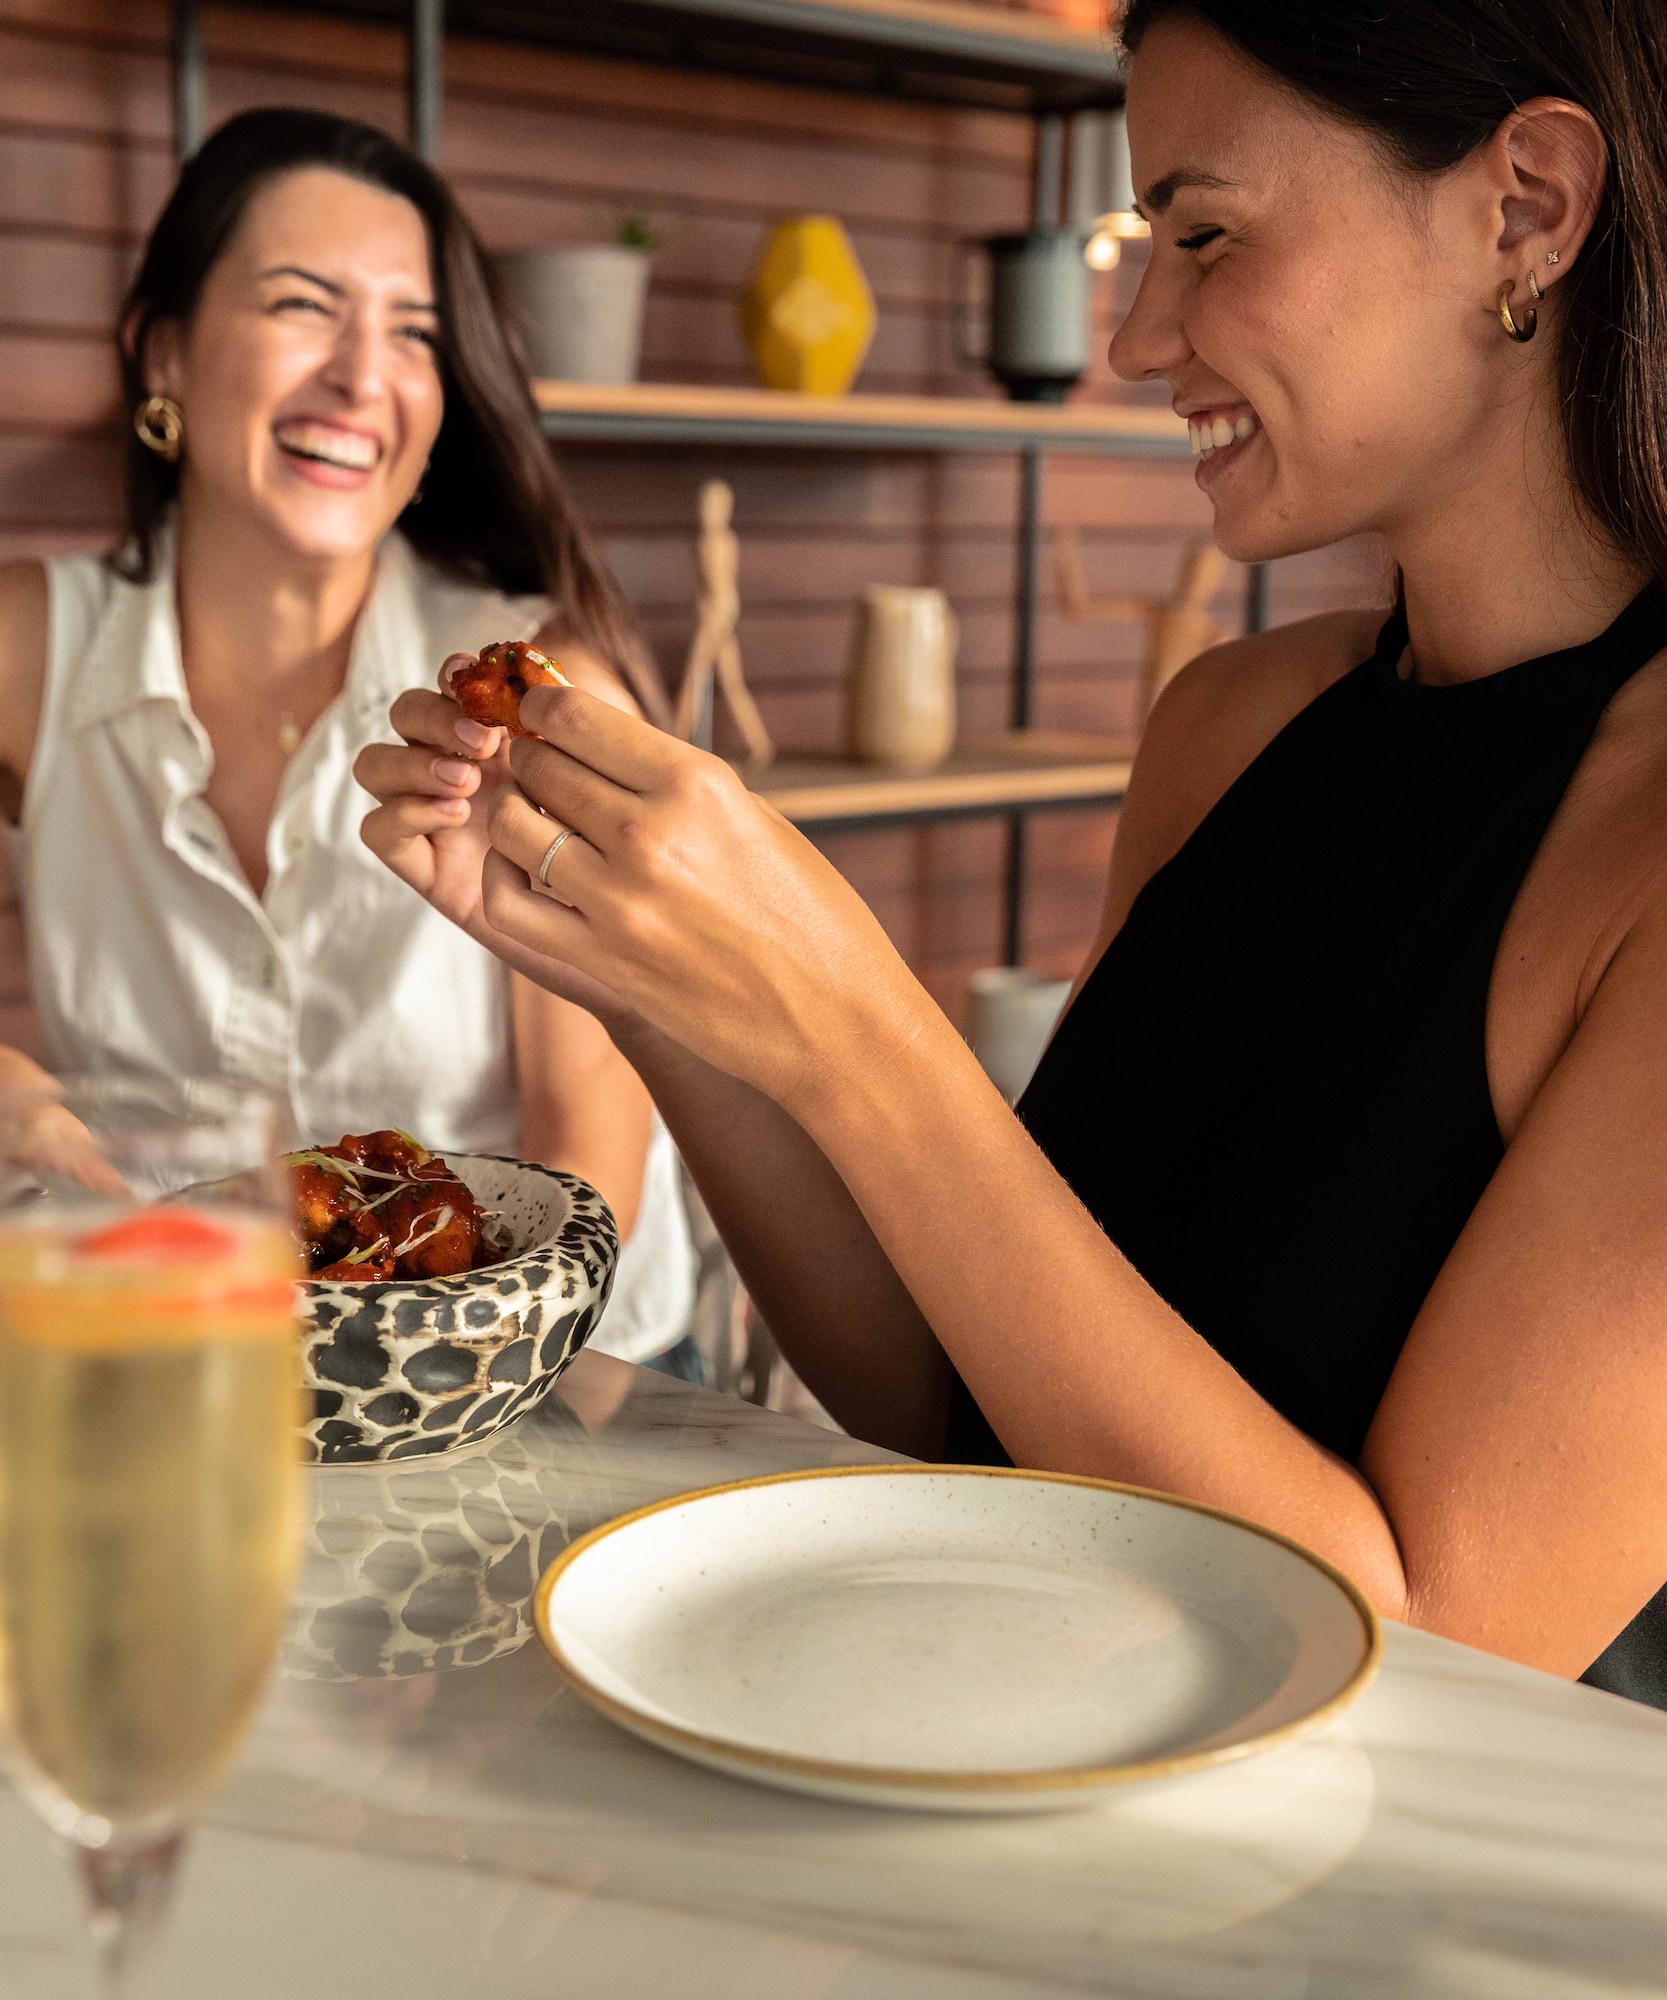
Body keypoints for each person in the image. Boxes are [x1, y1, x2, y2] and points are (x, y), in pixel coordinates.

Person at [359, 0, 1667, 1703]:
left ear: (1527, 210)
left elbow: (1435, 1657)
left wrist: (853, 1020)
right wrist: (650, 973)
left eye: (1202, 234)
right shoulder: (1230, 725)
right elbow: (952, 1397)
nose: (1132, 337)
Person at [0, 108, 696, 1373]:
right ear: (159, 348)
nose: (363, 376)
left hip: (547, 1376)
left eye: (414, 332)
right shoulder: (27, 645)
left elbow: (587, 1157)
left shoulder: (529, 691)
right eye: (303, 306)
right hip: (181, 1360)